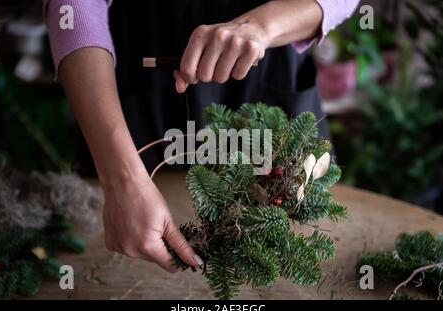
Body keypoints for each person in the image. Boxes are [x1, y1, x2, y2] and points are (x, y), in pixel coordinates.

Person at [43, 0, 359, 273]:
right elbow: (72, 6)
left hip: (269, 75)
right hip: (135, 88)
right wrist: (121, 178)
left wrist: (262, 27)